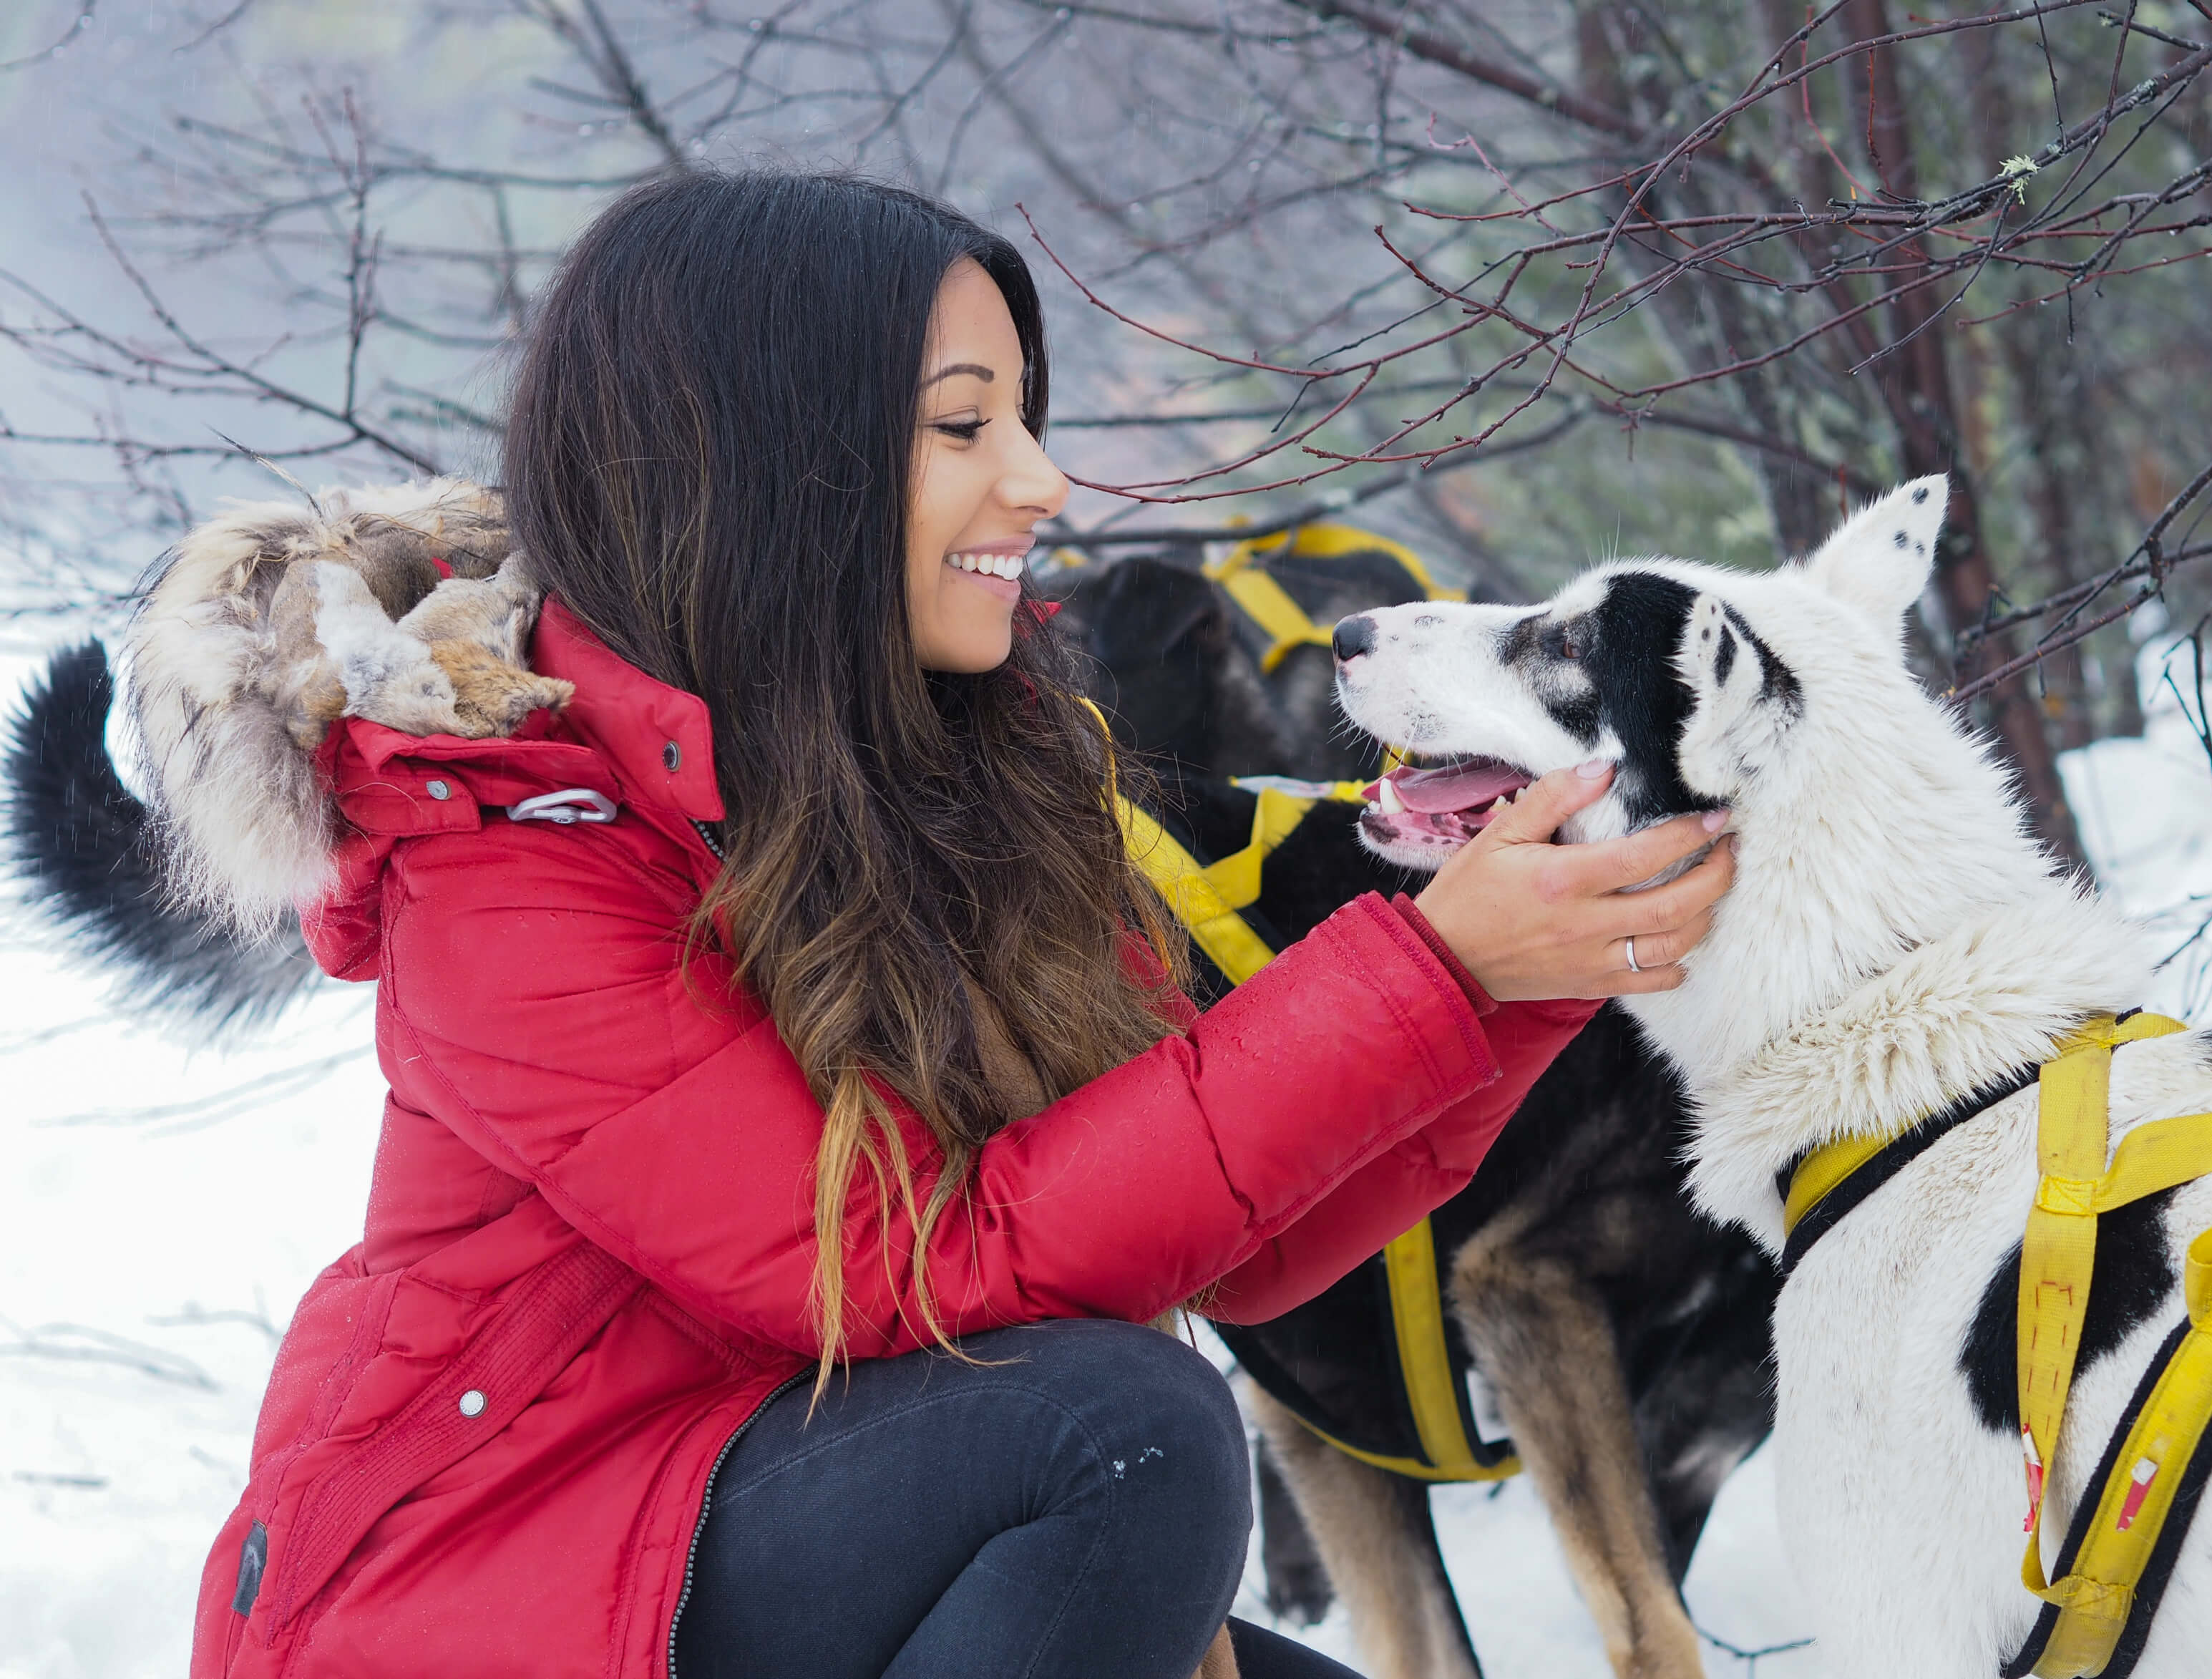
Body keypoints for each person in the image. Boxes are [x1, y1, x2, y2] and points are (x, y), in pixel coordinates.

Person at [176, 170, 1733, 1679]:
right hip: (485, 1582)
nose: (1041, 480)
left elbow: (1237, 1255)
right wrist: (1430, 966)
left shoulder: (950, 785)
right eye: (963, 426)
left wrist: (1514, 986)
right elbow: (914, 1274)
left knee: (1129, 1436)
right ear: (773, 463)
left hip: (779, 1527)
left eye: (1025, 419)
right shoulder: (514, 863)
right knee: (1122, 1435)